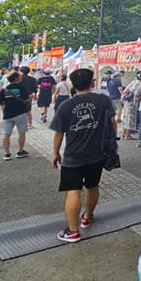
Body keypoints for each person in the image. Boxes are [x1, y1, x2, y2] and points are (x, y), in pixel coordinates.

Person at [50, 69, 116, 243]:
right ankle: (87, 217)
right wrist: (113, 143)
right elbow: (112, 121)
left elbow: (58, 133)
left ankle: (73, 231)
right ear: (92, 82)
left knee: (73, 191)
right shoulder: (103, 100)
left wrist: (55, 153)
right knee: (93, 186)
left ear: (72, 85)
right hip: (97, 153)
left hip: (73, 156)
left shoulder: (66, 106)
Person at [0, 71, 31, 160]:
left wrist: (4, 107)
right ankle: (20, 151)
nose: (21, 78)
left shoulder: (4, 89)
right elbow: (28, 98)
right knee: (21, 133)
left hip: (7, 114)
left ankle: (7, 154)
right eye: (19, 77)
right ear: (16, 78)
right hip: (20, 113)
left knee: (6, 134)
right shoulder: (22, 88)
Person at [121, 72, 141, 140]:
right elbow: (135, 93)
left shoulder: (133, 82)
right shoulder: (139, 83)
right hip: (132, 102)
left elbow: (126, 91)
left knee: (126, 118)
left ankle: (124, 134)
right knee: (130, 119)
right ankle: (128, 135)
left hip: (126, 102)